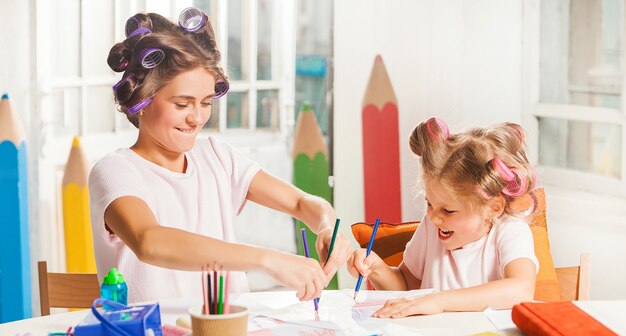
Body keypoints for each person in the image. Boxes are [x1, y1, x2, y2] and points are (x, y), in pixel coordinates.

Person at [89, 8, 350, 304]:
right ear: (143, 100)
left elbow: (303, 203)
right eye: (182, 104)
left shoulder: (217, 157)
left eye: (205, 102)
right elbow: (150, 241)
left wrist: (327, 226)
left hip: (229, 334)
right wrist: (267, 260)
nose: (197, 118)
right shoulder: (115, 170)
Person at [348, 117, 539, 318]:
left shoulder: (509, 230)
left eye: (448, 211)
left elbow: (521, 290)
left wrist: (440, 301)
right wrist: (376, 268)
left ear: (493, 207)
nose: (435, 218)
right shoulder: (432, 228)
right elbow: (406, 286)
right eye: (429, 204)